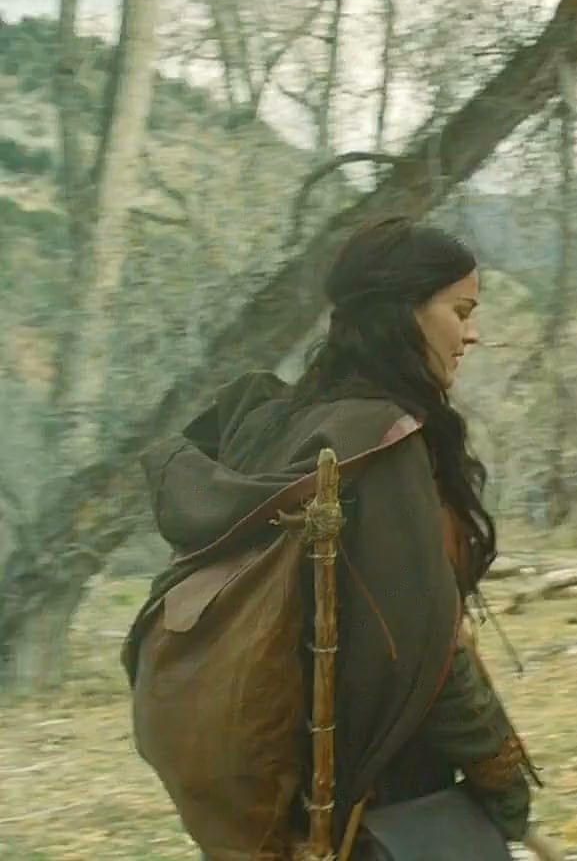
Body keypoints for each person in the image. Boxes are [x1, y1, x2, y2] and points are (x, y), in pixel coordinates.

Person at [126, 215, 550, 858]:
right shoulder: (382, 446)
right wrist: (505, 784)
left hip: (280, 806)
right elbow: (431, 657)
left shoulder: (282, 425)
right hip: (387, 810)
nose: (471, 334)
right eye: (460, 311)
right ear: (404, 312)